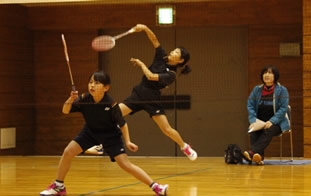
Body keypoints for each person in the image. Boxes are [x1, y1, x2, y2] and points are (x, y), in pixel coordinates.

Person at [40, 71, 168, 196]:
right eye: (90, 82)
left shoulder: (111, 104)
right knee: (68, 151)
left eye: (96, 83)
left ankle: (156, 187)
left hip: (111, 136)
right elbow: (65, 110)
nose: (92, 85)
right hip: (90, 132)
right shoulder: (84, 98)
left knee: (125, 164)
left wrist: (128, 141)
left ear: (106, 87)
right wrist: (71, 99)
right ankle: (59, 186)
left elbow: (123, 124)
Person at [87, 24, 197, 160]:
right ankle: (99, 144)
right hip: (138, 95)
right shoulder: (161, 56)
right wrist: (144, 28)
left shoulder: (172, 75)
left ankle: (184, 146)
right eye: (173, 50)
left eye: (176, 53)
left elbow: (151, 76)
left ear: (180, 60)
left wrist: (140, 64)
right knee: (112, 114)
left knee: (166, 129)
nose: (171, 53)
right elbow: (154, 40)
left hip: (152, 100)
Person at [243, 65, 290, 165]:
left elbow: (283, 109)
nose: (267, 75)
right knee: (253, 131)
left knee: (269, 129)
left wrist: (272, 121)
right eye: (265, 73)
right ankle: (259, 157)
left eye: (270, 73)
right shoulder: (257, 90)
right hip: (260, 122)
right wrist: (253, 121)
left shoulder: (282, 90)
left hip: (278, 123)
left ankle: (253, 152)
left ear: (275, 76)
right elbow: (250, 105)